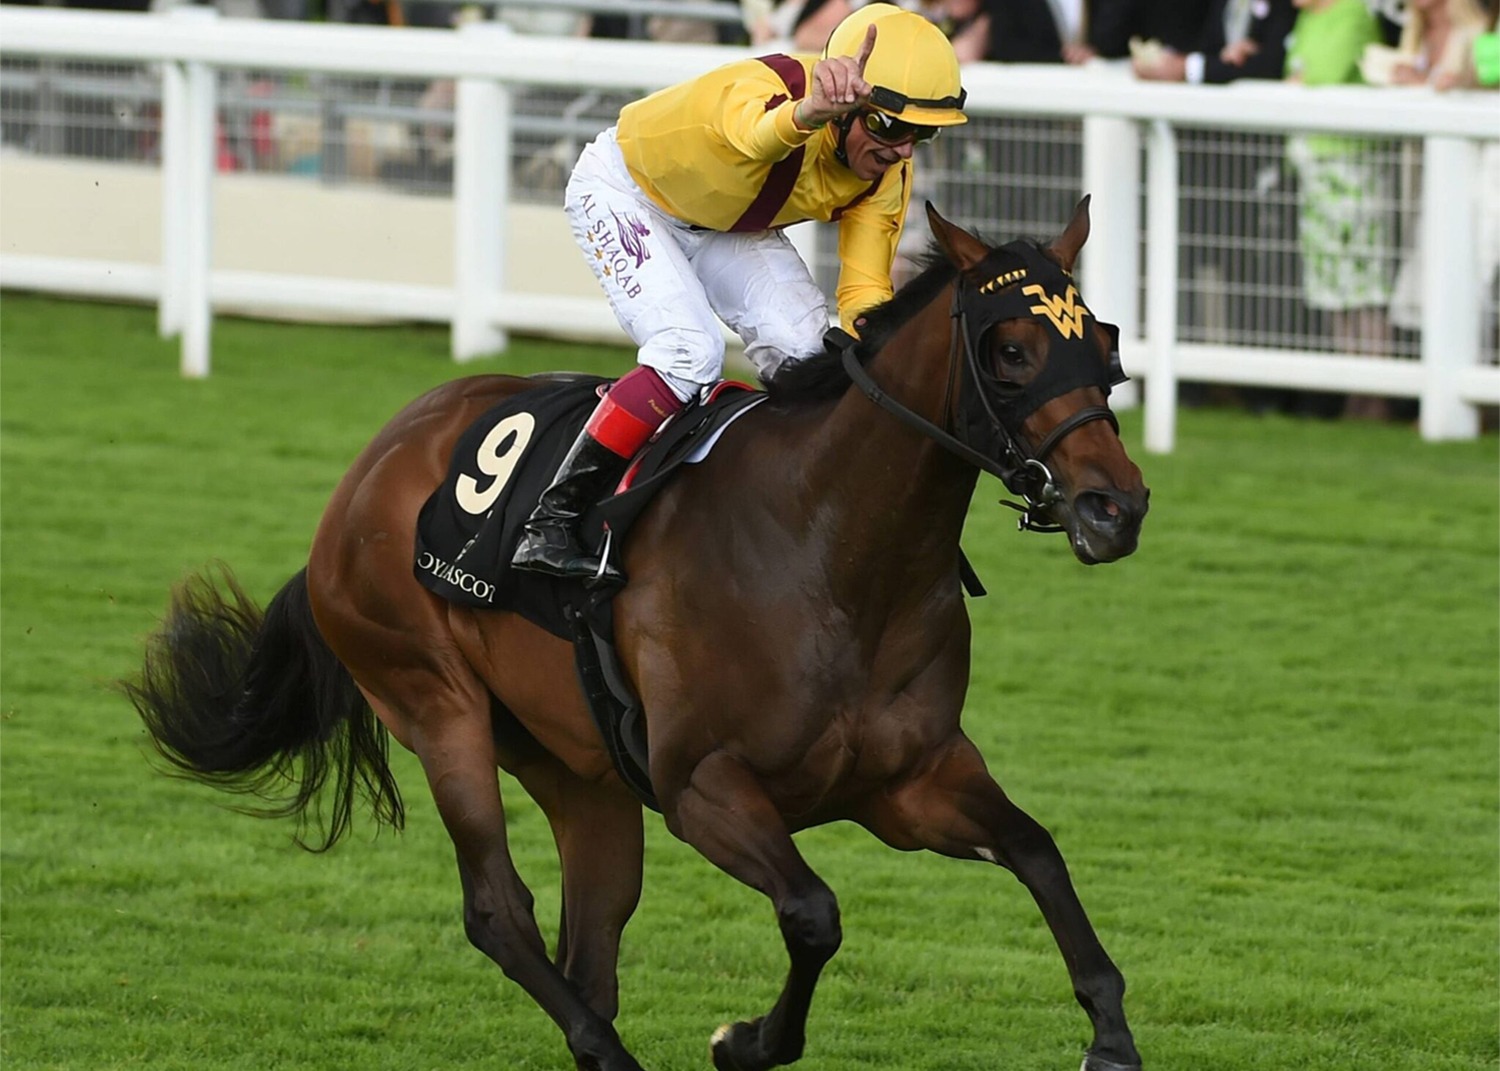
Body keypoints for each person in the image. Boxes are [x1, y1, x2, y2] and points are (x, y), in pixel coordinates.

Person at [511, 4, 968, 582]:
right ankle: (550, 521)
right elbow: (755, 140)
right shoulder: (760, 88)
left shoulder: (886, 175)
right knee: (687, 353)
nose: (904, 151)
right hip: (627, 191)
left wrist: (881, 371)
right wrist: (807, 113)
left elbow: (864, 291)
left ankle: (782, 513)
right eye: (890, 127)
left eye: (922, 134)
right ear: (844, 113)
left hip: (727, 223)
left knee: (812, 355)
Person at [1285, 0, 1395, 418]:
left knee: (1365, 285)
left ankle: (1376, 390)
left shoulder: (1353, 13)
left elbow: (1321, 75)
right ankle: (1353, 389)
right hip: (1314, 171)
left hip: (1354, 170)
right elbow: (1294, 73)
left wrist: (1300, 80)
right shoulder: (1306, 17)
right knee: (1330, 285)